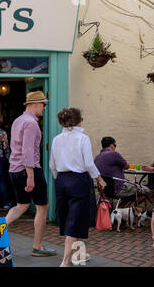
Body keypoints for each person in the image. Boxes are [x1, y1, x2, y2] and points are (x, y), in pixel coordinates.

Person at [49, 108, 107, 267]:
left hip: (61, 180)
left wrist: (59, 179)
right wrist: (99, 179)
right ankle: (65, 261)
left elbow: (52, 165)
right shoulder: (83, 138)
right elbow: (89, 163)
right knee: (74, 221)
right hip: (78, 180)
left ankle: (80, 253)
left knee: (72, 218)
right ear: (79, 121)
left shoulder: (56, 139)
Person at [5, 91, 56, 257]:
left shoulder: (18, 121)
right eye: (43, 104)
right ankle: (38, 246)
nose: (44, 108)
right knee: (42, 207)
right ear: (36, 104)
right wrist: (31, 177)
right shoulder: (31, 123)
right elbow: (27, 151)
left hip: (14, 169)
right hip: (29, 170)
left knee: (22, 206)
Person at [94, 137, 151, 203]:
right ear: (112, 145)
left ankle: (121, 209)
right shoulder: (113, 154)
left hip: (104, 190)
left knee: (131, 186)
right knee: (147, 191)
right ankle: (130, 210)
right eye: (115, 145)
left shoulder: (97, 158)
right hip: (118, 188)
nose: (115, 147)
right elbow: (126, 166)